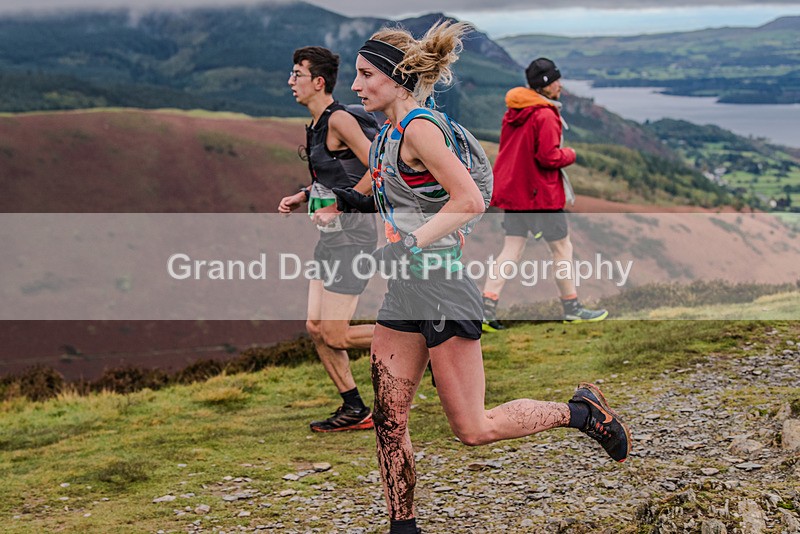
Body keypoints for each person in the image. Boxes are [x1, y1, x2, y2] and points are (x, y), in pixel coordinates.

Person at [342, 23, 631, 533]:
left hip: (443, 290)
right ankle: (402, 526)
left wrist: (408, 244)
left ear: (396, 77)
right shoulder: (388, 131)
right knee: (390, 422)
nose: (356, 86)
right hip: (405, 293)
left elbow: (470, 201)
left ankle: (581, 412)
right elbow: (396, 198)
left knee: (473, 429)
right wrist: (324, 199)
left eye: (366, 75)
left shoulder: (419, 128)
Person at [278, 46, 377, 432]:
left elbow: (377, 165)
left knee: (336, 331)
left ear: (318, 82)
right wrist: (305, 194)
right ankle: (354, 408)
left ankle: (422, 335)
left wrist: (341, 205)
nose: (291, 82)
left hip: (354, 236)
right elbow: (331, 175)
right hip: (332, 238)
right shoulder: (317, 123)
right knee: (316, 327)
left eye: (296, 74)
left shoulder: (338, 120)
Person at [481, 57, 608, 331]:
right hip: (540, 197)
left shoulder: (514, 111)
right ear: (546, 84)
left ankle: (486, 307)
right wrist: (570, 154)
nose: (561, 86)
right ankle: (572, 308)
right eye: (557, 81)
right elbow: (548, 157)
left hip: (516, 194)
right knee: (562, 249)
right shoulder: (545, 114)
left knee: (511, 249)